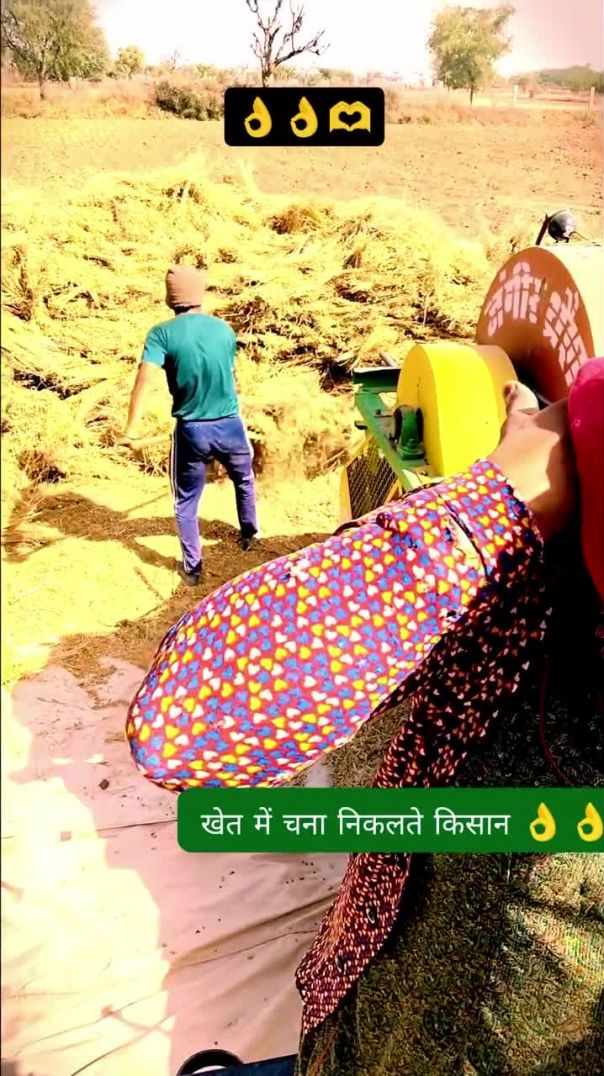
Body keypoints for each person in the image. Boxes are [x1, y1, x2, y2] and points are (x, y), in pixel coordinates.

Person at [126, 360, 603, 1064]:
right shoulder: (540, 620)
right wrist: (507, 505)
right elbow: (193, 724)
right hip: (366, 991)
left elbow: (182, 724)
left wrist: (500, 498)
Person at [123, 265, 259, 585]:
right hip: (231, 425)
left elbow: (144, 382)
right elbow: (227, 372)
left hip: (192, 432)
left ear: (170, 298)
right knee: (244, 479)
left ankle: (193, 569)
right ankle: (250, 534)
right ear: (200, 294)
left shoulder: (161, 334)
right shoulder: (224, 330)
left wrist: (130, 430)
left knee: (185, 501)